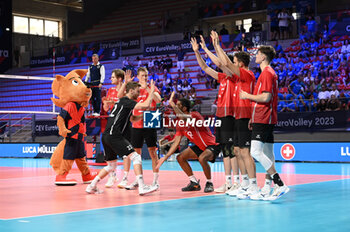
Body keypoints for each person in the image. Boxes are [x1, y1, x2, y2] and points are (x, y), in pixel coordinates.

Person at [86, 81, 159, 195]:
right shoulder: (127, 101)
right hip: (114, 135)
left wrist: (143, 113)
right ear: (131, 91)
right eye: (137, 91)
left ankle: (92, 186)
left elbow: (133, 119)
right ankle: (142, 187)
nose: (139, 93)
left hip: (106, 136)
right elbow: (145, 104)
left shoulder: (122, 102)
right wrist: (152, 91)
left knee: (111, 166)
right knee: (136, 157)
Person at [191, 34, 243, 193]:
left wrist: (210, 47)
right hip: (220, 116)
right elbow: (205, 68)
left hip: (230, 116)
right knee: (225, 150)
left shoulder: (235, 77)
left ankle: (237, 182)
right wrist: (198, 52)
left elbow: (222, 63)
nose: (225, 66)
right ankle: (228, 182)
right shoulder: (223, 78)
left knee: (233, 150)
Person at [213, 32, 260, 198]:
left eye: (235, 62)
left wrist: (218, 45)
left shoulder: (247, 74)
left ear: (240, 63)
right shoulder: (238, 78)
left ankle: (254, 185)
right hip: (238, 116)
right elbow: (224, 64)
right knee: (238, 151)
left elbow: (225, 63)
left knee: (245, 152)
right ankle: (245, 183)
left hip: (246, 116)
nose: (232, 65)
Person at [240, 45, 290, 200]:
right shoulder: (266, 73)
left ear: (263, 56)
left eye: (258, 54)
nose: (255, 56)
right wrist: (252, 118)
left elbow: (266, 98)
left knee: (255, 151)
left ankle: (280, 184)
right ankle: (268, 187)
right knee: (268, 152)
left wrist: (247, 95)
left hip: (264, 117)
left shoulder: (267, 73)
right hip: (261, 117)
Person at [156, 93, 221, 192]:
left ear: (185, 108)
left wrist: (172, 104)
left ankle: (209, 183)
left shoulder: (195, 115)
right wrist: (165, 157)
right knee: (180, 157)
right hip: (200, 147)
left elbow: (184, 118)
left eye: (178, 106)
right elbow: (176, 142)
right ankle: (194, 183)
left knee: (202, 158)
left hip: (212, 144)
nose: (175, 108)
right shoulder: (179, 124)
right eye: (175, 105)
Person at [117, 67, 162, 189]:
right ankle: (139, 180)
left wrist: (148, 88)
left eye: (146, 75)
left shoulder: (152, 87)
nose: (145, 78)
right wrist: (125, 83)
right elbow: (120, 96)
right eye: (142, 76)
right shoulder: (135, 90)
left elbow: (159, 100)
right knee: (137, 154)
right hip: (136, 122)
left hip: (151, 119)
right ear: (137, 76)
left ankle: (155, 181)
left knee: (153, 153)